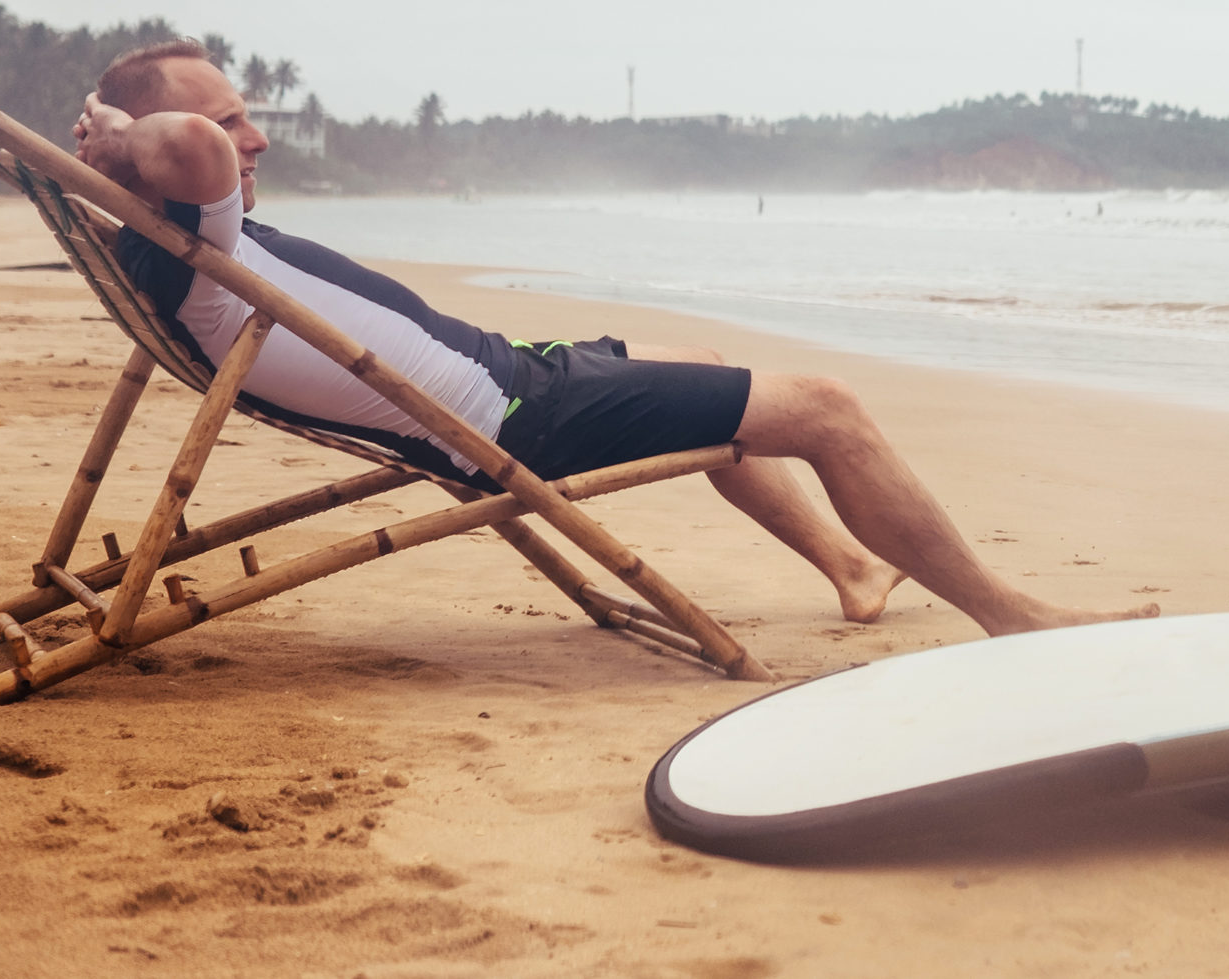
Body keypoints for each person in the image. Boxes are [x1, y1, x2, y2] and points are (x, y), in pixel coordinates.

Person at [73, 39, 1147, 637]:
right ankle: (1014, 615)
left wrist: (147, 144)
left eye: (245, 110)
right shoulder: (189, 233)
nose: (249, 135)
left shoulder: (182, 245)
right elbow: (195, 159)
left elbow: (198, 155)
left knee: (723, 372)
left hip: (516, 378)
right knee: (827, 407)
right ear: (156, 154)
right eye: (226, 118)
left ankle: (854, 568)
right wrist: (136, 137)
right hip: (512, 419)